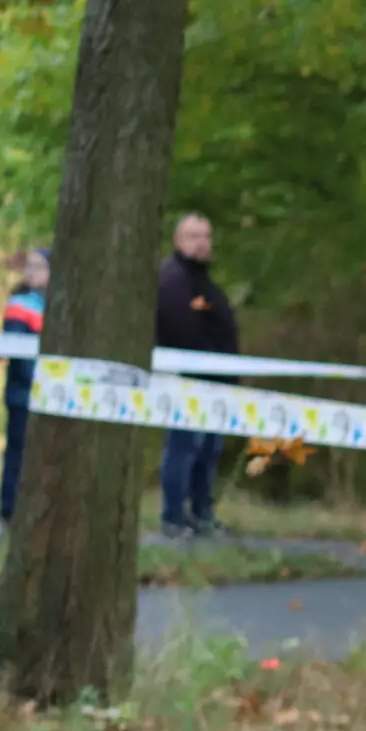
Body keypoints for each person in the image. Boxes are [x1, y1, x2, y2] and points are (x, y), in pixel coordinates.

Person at [155, 214, 239, 539]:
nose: (201, 242)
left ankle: (202, 512)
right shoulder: (173, 280)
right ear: (178, 240)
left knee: (209, 450)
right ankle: (174, 516)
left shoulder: (205, 282)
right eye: (193, 236)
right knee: (184, 447)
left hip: (216, 383)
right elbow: (183, 331)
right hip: (188, 381)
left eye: (206, 235)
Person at [0, 247, 49, 523]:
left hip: (49, 393)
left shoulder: (56, 306)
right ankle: (10, 509)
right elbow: (18, 353)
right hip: (23, 392)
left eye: (39, 266)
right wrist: (41, 382)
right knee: (19, 451)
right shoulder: (20, 305)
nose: (32, 272)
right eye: (29, 266)